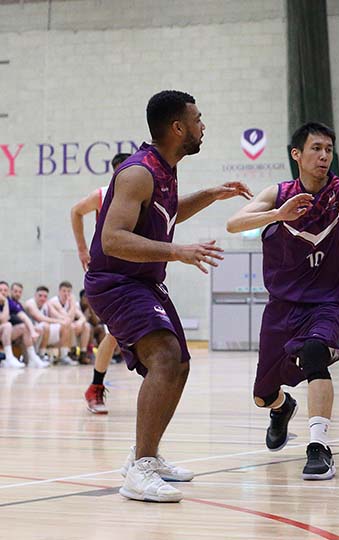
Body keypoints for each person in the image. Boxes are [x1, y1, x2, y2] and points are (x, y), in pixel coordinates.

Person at [85, 90, 252, 502]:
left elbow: (168, 211)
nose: (203, 125)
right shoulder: (137, 172)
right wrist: (178, 251)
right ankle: (139, 470)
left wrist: (211, 195)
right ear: (178, 128)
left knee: (178, 363)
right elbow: (112, 239)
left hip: (143, 282)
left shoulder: (164, 168)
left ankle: (147, 456)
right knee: (163, 356)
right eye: (197, 119)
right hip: (116, 282)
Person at [227, 121, 339, 481]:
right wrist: (277, 215)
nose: (324, 156)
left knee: (316, 353)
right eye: (316, 148)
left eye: (329, 149)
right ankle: (282, 408)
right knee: (263, 395)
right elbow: (234, 223)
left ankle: (318, 446)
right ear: (296, 155)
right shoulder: (278, 193)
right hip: (282, 308)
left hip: (328, 302)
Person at [72, 152, 130, 413]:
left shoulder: (143, 195)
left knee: (118, 334)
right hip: (107, 274)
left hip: (135, 272)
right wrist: (82, 249)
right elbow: (75, 211)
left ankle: (96, 385)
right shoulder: (103, 195)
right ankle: (95, 387)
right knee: (115, 332)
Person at [0, 281, 46, 368]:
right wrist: (5, 302)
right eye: (0, 290)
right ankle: (9, 358)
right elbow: (3, 319)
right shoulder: (7, 302)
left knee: (25, 327)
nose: (3, 292)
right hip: (3, 329)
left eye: (5, 290)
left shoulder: (10, 302)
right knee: (7, 325)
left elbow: (24, 317)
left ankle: (32, 358)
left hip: (5, 333)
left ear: (8, 292)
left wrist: (32, 331)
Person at [22, 286, 72, 364]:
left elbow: (56, 315)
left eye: (45, 296)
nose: (42, 298)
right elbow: (40, 318)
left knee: (64, 327)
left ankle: (63, 356)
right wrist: (60, 321)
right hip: (30, 330)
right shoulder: (30, 303)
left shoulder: (46, 304)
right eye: (40, 296)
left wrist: (64, 320)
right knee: (46, 325)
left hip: (41, 330)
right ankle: (41, 354)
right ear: (35, 295)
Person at [45, 281, 92, 364]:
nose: (66, 293)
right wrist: (73, 303)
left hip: (67, 327)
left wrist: (80, 322)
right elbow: (67, 318)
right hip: (55, 329)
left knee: (86, 326)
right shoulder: (54, 302)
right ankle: (69, 353)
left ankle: (83, 353)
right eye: (64, 291)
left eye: (69, 291)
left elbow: (82, 317)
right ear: (59, 291)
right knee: (69, 326)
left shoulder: (70, 302)